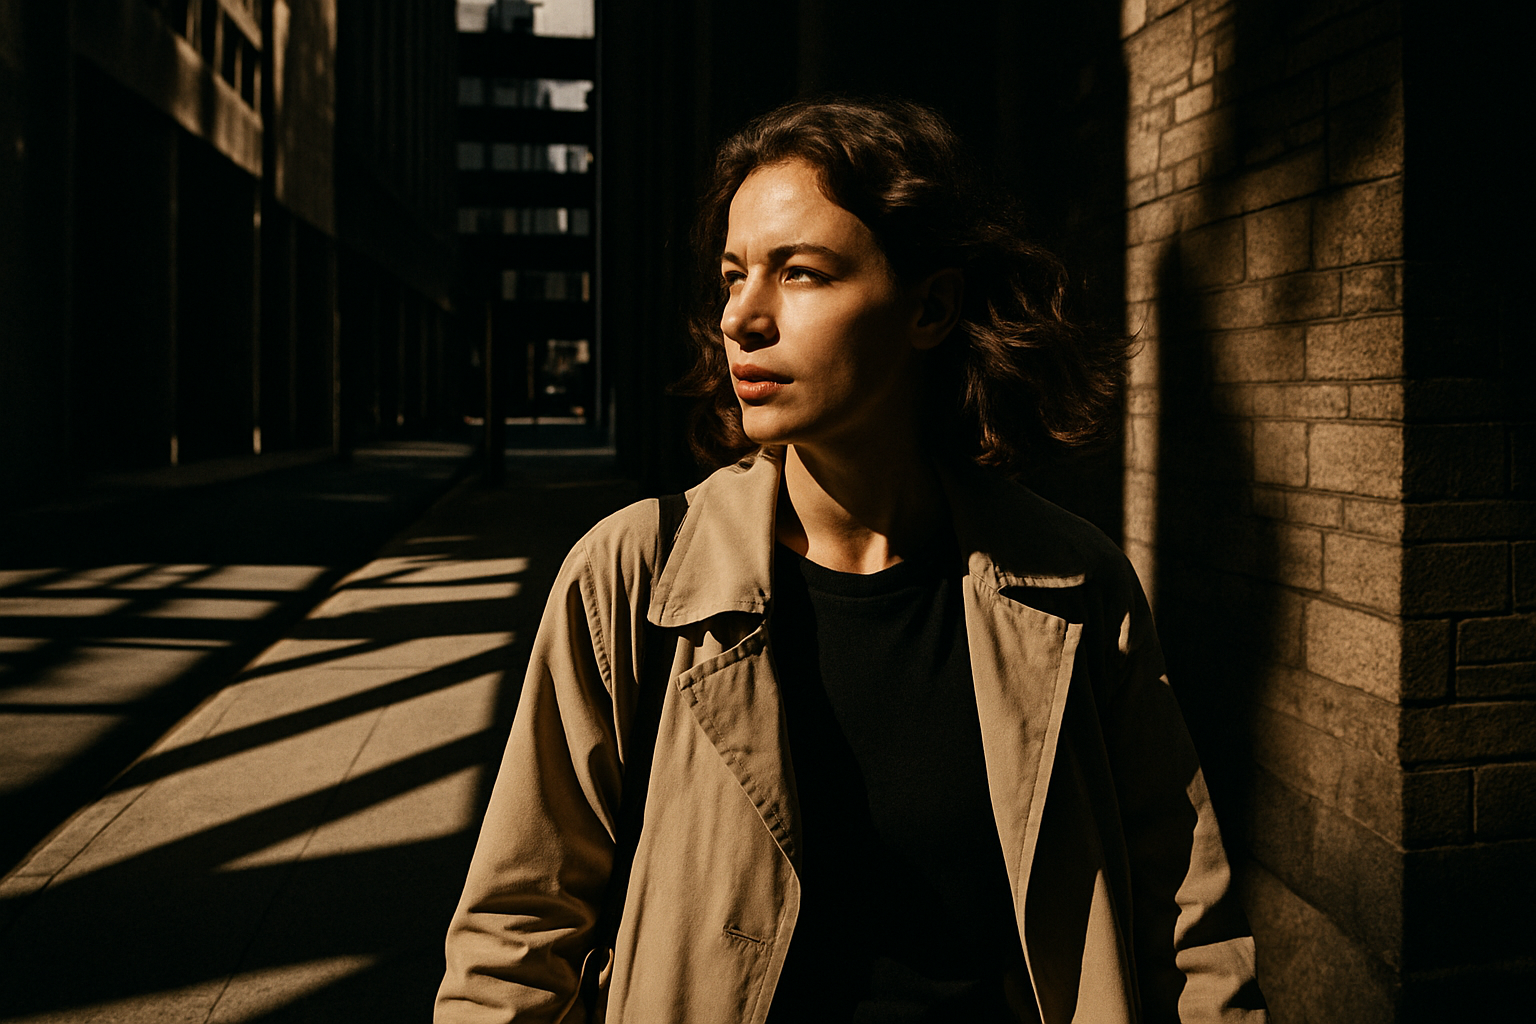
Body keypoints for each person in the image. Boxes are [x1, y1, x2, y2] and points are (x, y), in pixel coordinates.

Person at [435, 98, 1265, 1023]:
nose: (741, 317)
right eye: (733, 276)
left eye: (801, 273)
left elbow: (1185, 925)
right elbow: (515, 935)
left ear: (930, 307)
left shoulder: (1071, 584)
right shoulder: (633, 578)